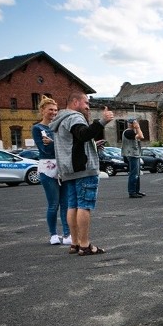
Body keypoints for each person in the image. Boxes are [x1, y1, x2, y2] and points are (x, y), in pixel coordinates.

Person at [50, 91, 114, 256]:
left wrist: (92, 143)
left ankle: (75, 243)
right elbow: (83, 134)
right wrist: (103, 121)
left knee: (72, 206)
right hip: (83, 170)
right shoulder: (74, 117)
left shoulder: (60, 120)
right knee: (84, 206)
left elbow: (77, 140)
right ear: (75, 102)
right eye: (86, 103)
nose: (88, 106)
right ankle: (85, 245)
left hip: (68, 171)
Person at [32, 95, 71, 245]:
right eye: (50, 110)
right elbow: (45, 149)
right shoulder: (37, 128)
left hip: (63, 167)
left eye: (55, 110)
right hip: (47, 168)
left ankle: (67, 234)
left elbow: (66, 146)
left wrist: (53, 142)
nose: (54, 112)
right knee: (53, 204)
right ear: (42, 110)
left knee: (66, 203)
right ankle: (53, 234)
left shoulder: (59, 126)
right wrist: (57, 144)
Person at [122, 118, 145, 198]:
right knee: (133, 173)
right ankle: (132, 192)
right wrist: (138, 128)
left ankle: (136, 191)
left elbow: (141, 136)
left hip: (135, 154)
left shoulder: (133, 132)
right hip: (131, 155)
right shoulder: (128, 132)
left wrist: (137, 128)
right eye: (135, 123)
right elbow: (141, 136)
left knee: (137, 173)